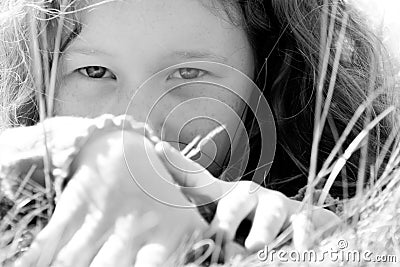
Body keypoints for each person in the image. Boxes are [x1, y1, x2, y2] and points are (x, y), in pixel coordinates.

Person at [0, 0, 397, 266]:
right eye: (95, 72)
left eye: (188, 73)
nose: (138, 117)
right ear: (38, 79)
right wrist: (100, 148)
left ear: (269, 72)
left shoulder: (312, 228)